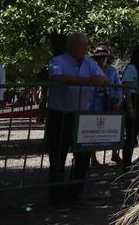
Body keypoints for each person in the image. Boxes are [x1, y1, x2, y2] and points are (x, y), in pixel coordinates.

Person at [46, 32, 107, 203]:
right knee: (58, 155)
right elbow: (58, 78)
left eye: (86, 44)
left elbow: (101, 78)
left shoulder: (89, 63)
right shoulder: (58, 61)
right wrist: (86, 81)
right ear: (71, 46)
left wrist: (76, 81)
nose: (86, 48)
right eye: (82, 45)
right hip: (60, 114)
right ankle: (56, 194)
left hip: (82, 116)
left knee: (82, 157)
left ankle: (74, 193)